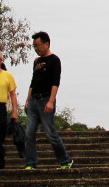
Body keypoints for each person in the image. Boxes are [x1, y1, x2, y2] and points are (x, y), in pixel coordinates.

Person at [23, 31, 73, 170]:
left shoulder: (54, 60)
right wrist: (27, 100)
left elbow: (55, 82)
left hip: (45, 99)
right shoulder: (37, 61)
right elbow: (33, 82)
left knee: (49, 133)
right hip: (34, 100)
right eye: (34, 46)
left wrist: (51, 101)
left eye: (38, 45)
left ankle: (65, 160)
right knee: (29, 133)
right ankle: (30, 163)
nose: (36, 48)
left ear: (46, 44)